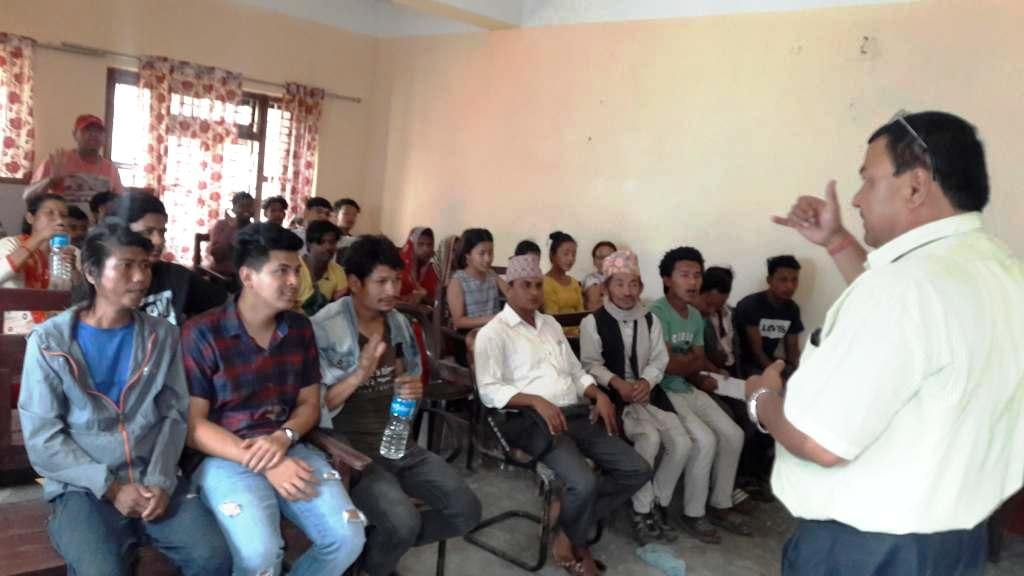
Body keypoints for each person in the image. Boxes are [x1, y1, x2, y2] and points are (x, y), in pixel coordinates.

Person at [753, 111, 1024, 575]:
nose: (856, 199)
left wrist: (761, 398)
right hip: (956, 540)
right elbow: (915, 324)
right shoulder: (1001, 268)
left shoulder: (905, 287)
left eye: (868, 180)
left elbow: (821, 444)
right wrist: (837, 241)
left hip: (868, 549)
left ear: (915, 186)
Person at [18, 222, 231, 575]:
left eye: (145, 265)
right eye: (127, 265)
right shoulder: (50, 342)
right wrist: (112, 488)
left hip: (152, 477)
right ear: (91, 272)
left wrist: (161, 481)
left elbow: (173, 415)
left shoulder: (161, 335)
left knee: (213, 556)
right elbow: (43, 439)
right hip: (82, 487)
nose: (141, 277)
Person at [182, 223, 366, 575]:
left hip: (287, 444)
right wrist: (267, 462)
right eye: (281, 271)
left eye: (296, 270)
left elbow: (309, 404)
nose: (294, 281)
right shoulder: (202, 332)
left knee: (348, 537)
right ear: (248, 276)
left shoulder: (299, 329)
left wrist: (284, 438)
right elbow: (194, 427)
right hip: (223, 454)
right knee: (260, 555)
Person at [312, 235, 481, 576]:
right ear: (355, 283)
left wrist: (410, 390)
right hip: (350, 453)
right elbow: (316, 407)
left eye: (396, 280)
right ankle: (378, 560)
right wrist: (360, 373)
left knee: (467, 511)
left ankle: (372, 556)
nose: (392, 290)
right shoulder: (324, 327)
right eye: (381, 282)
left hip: (396, 440)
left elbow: (407, 378)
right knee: (403, 522)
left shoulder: (398, 322)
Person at [475, 253, 651, 576]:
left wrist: (598, 394)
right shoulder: (493, 333)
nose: (534, 292)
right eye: (525, 285)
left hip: (575, 413)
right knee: (582, 483)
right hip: (530, 421)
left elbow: (575, 372)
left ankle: (567, 528)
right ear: (509, 288)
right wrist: (535, 401)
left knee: (637, 470)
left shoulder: (550, 324)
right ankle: (574, 540)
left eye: (538, 285)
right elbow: (489, 391)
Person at [579, 250, 685, 545]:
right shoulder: (593, 322)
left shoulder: (650, 320)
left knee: (682, 442)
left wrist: (646, 381)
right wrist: (616, 382)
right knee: (649, 438)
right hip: (613, 399)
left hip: (646, 394)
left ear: (641, 286)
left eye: (633, 284)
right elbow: (590, 364)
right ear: (606, 287)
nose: (627, 291)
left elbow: (659, 359)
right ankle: (641, 510)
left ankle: (659, 503)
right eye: (620, 284)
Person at [650, 247, 750, 543]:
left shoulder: (694, 315)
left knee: (734, 434)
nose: (693, 281)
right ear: (667, 279)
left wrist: (690, 366)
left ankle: (721, 502)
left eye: (697, 275)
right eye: (684, 275)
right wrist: (688, 362)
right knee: (705, 440)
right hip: (663, 390)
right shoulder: (657, 313)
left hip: (687, 385)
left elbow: (695, 360)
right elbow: (667, 365)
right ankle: (693, 513)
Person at [102, 191, 227, 326]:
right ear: (120, 233)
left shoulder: (177, 277)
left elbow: (227, 306)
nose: (159, 241)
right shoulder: (99, 279)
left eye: (162, 232)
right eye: (148, 232)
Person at [0, 193, 79, 335]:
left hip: (59, 334)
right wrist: (39, 237)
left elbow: (83, 296)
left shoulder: (73, 252)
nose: (59, 220)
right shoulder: (10, 244)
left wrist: (73, 269)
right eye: (50, 213)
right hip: (17, 336)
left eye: (64, 215)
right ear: (30, 218)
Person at [28, 114, 124, 203]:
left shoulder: (111, 169)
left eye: (99, 131)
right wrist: (52, 180)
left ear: (104, 137)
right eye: (87, 130)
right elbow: (28, 196)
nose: (94, 134)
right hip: (63, 215)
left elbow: (120, 203)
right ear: (74, 134)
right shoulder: (58, 160)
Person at [735, 255, 803, 379]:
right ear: (769, 280)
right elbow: (756, 352)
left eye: (794, 280)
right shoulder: (751, 305)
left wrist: (794, 373)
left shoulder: (792, 309)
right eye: (783, 280)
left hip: (769, 363)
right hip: (744, 365)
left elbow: (792, 349)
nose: (790, 286)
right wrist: (777, 375)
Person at [446, 228, 502, 330]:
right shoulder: (458, 281)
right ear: (467, 255)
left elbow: (510, 293)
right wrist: (493, 319)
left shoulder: (492, 275)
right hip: (471, 334)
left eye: (491, 253)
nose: (488, 259)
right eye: (482, 254)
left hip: (494, 330)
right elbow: (458, 321)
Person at [297, 220, 348, 316]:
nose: (328, 247)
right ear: (308, 245)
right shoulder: (294, 269)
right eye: (321, 242)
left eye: (332, 242)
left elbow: (338, 309)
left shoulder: (338, 271)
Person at [696, 266, 738, 375]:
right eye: (709, 304)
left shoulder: (730, 313)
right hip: (707, 370)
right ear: (698, 292)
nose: (711, 311)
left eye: (719, 305)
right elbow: (697, 356)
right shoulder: (691, 317)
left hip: (731, 368)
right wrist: (716, 370)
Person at [205, 192, 256, 278]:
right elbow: (217, 255)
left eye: (249, 206)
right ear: (233, 208)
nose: (246, 209)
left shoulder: (255, 228)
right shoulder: (221, 225)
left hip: (246, 276)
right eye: (242, 206)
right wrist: (232, 227)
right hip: (222, 275)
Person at [543, 231, 585, 327]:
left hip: (579, 332)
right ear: (552, 255)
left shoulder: (574, 282)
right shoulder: (545, 282)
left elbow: (581, 313)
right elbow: (552, 319)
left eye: (574, 254)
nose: (571, 259)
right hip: (557, 333)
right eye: (566, 254)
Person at [399, 227, 439, 306]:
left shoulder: (434, 269)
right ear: (412, 245)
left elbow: (437, 302)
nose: (426, 249)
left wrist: (424, 297)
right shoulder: (399, 267)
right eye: (420, 244)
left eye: (429, 244)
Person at [582, 241, 617, 311]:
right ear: (594, 261)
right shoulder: (591, 279)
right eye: (600, 257)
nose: (604, 261)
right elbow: (594, 306)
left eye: (609, 258)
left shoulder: (621, 278)